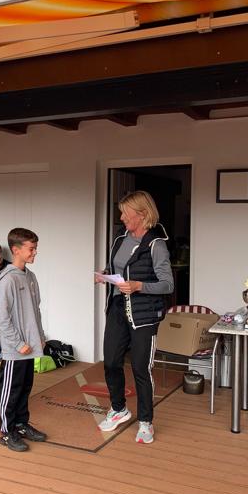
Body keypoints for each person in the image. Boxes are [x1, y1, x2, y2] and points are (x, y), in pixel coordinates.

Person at [96, 190, 173, 444]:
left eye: (125, 213)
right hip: (117, 308)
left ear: (142, 214)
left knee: (141, 368)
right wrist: (105, 275)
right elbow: (118, 269)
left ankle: (146, 422)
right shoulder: (120, 238)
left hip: (144, 314)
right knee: (111, 362)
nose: (121, 217)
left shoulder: (156, 244)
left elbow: (167, 284)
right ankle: (119, 409)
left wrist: (140, 286)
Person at [0, 227, 47, 452]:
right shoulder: (7, 280)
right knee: (11, 390)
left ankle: (21, 424)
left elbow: (36, 310)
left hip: (30, 346)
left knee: (25, 387)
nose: (35, 252)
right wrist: (18, 343)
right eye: (31, 249)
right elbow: (2, 317)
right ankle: (6, 432)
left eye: (35, 248)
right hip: (16, 349)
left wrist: (40, 337)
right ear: (16, 250)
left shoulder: (30, 276)